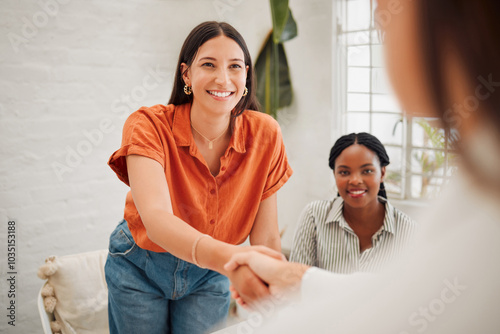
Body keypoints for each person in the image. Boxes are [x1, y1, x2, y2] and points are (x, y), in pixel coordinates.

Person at [223, 0, 500, 332]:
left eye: (367, 170)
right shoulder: (476, 184)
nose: (379, 14)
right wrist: (294, 279)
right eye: (344, 171)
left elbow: (402, 309)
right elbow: (394, 299)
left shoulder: (464, 216)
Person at [105, 21, 292, 334]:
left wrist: (274, 287)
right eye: (208, 64)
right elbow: (157, 219)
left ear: (246, 75)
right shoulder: (147, 125)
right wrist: (233, 258)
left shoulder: (266, 134)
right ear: (186, 74)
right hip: (142, 265)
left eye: (235, 66)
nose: (223, 78)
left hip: (212, 273)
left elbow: (267, 238)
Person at [290, 132, 417, 273]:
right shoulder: (313, 216)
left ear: (382, 173)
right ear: (334, 175)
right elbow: (294, 283)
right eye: (344, 172)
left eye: (367, 171)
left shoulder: (408, 230)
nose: (355, 180)